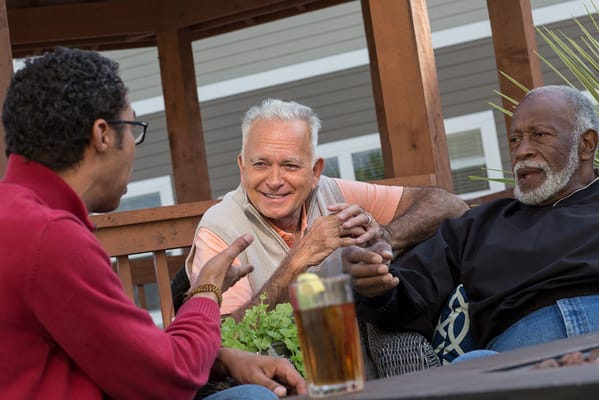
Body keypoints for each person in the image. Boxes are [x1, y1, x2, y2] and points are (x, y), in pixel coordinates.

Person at [0, 48, 305, 400]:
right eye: (132, 127)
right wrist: (207, 290)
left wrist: (220, 359)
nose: (134, 145)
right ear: (102, 135)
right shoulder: (52, 237)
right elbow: (167, 381)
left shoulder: (19, 217)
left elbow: (118, 356)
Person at [343, 85, 599, 356]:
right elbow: (408, 293)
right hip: (523, 354)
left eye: (539, 136)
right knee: (472, 364)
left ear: (586, 145)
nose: (522, 151)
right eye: (515, 139)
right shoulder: (476, 226)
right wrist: (374, 284)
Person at [180, 98, 469, 321]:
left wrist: (385, 234)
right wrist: (299, 260)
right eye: (260, 164)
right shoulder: (218, 227)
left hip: (359, 367)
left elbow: (451, 206)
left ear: (315, 170)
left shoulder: (333, 192)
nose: (275, 180)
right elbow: (226, 341)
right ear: (242, 167)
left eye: (290, 165)